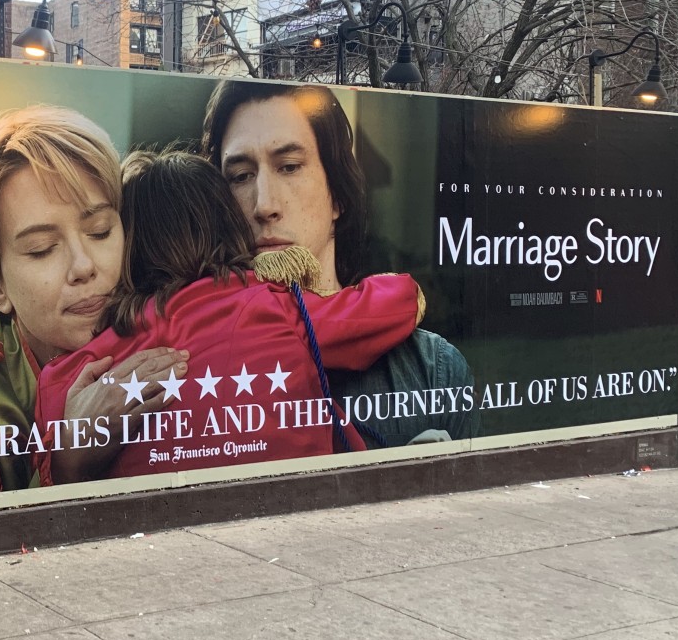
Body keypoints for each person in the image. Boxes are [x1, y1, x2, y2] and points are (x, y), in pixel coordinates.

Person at [34, 151, 424, 482]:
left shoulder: (87, 364)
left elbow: (46, 457)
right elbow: (396, 303)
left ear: (127, 246)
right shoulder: (274, 304)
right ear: (231, 224)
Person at [0, 106, 186, 503]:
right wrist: (65, 464)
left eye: (100, 231)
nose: (83, 266)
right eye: (42, 249)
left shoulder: (174, 317)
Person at [202, 80, 476, 445]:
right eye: (240, 176)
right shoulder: (186, 365)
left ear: (338, 195)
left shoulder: (434, 371)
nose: (264, 205)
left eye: (289, 167)